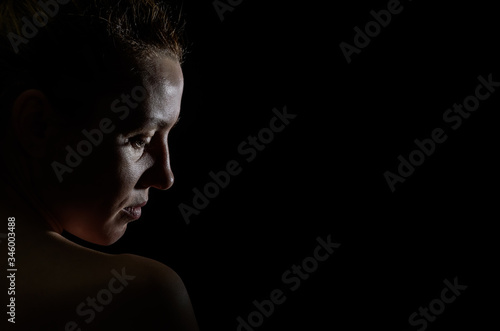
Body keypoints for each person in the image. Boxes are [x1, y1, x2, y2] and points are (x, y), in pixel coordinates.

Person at [0, 0, 199, 330]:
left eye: (168, 135)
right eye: (139, 139)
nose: (166, 177)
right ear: (39, 125)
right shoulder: (139, 296)